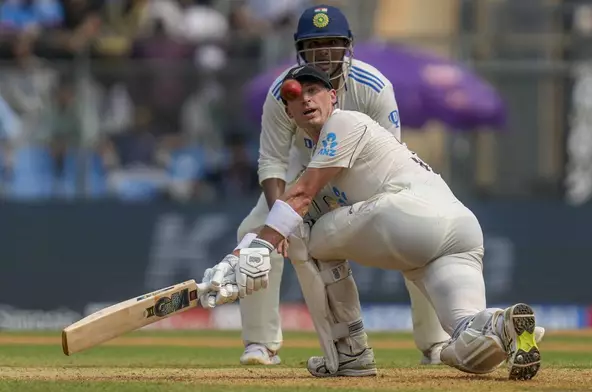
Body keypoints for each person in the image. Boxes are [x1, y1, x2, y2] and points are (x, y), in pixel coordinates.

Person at [200, 65, 543, 380]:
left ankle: (350, 353)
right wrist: (239, 256)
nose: (305, 99)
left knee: (310, 236)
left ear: (332, 96)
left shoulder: (344, 123)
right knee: (466, 343)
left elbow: (300, 199)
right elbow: (288, 208)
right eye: (294, 95)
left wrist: (255, 250)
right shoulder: (325, 160)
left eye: (314, 90)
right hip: (460, 228)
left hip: (412, 215)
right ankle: (503, 323)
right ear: (287, 112)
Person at [234, 4, 450, 366]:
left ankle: (435, 342)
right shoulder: (281, 92)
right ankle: (260, 344)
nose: (323, 53)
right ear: (300, 49)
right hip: (306, 180)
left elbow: (389, 159)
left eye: (332, 43)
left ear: (347, 47)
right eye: (314, 45)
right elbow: (272, 160)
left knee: (416, 241)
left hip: (365, 182)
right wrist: (277, 221)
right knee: (254, 233)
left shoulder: (374, 87)